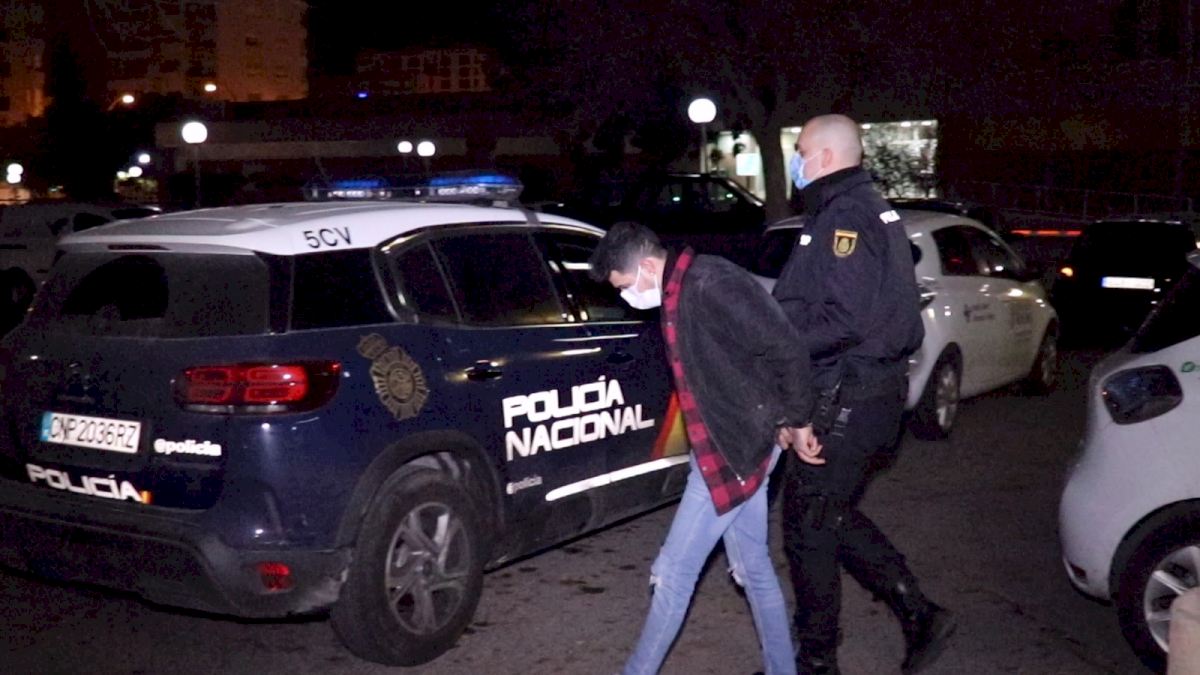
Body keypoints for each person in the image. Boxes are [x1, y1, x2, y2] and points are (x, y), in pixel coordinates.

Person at [589, 222, 818, 675]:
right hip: (724, 441)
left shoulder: (711, 284)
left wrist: (796, 418)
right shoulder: (678, 290)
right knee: (752, 567)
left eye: (624, 285)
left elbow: (785, 346)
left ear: (647, 266)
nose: (626, 297)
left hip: (734, 450)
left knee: (672, 573)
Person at [773, 114, 955, 675]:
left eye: (801, 151)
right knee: (826, 515)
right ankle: (918, 613)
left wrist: (774, 340)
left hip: (851, 395)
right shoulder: (857, 207)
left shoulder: (846, 215)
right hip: (866, 393)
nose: (796, 161)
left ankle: (819, 662)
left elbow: (841, 320)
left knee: (809, 525)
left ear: (825, 157)